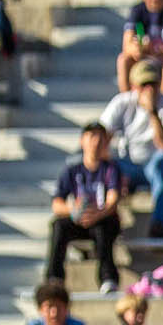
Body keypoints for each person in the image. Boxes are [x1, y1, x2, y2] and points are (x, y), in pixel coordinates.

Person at [99, 60, 163, 239]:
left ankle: (159, 223)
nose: (149, 89)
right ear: (133, 85)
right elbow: (101, 141)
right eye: (144, 84)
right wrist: (113, 172)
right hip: (127, 164)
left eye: (153, 83)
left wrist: (153, 112)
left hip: (157, 165)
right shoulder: (121, 103)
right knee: (103, 167)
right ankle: (102, 226)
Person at [44, 122, 127, 294]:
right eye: (91, 136)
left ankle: (108, 278)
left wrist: (96, 214)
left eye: (100, 138)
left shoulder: (111, 169)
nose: (95, 142)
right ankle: (54, 278)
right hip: (80, 219)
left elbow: (113, 200)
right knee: (58, 226)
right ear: (82, 141)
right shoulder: (72, 170)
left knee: (106, 228)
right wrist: (74, 211)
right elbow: (57, 203)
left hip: (102, 218)